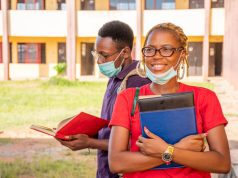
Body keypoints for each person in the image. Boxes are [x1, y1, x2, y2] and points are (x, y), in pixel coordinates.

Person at [109, 22, 231, 178]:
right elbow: (117, 163)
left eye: (166, 49)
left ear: (182, 55)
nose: (156, 55)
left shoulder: (205, 98)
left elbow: (222, 163)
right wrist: (175, 150)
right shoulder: (127, 98)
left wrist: (166, 150)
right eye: (150, 49)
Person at [57, 20, 151, 178]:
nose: (99, 61)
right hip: (105, 170)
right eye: (97, 54)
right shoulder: (115, 78)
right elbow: (112, 127)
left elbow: (137, 142)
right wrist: (82, 132)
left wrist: (89, 143)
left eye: (105, 55)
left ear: (126, 52)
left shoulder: (138, 84)